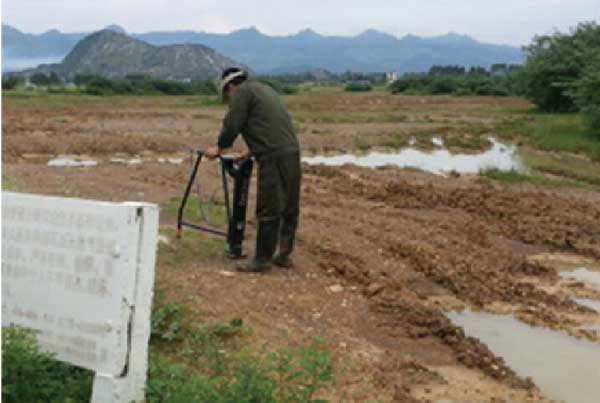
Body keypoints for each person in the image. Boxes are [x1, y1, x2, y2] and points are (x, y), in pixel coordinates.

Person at [205, 68, 301, 272]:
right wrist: (249, 153)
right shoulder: (264, 89)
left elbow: (233, 124)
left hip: (273, 156)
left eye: (226, 93)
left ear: (229, 87)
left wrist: (219, 148)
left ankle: (262, 260)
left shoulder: (241, 93)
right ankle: (283, 254)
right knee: (289, 205)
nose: (228, 97)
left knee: (269, 206)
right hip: (291, 152)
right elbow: (267, 126)